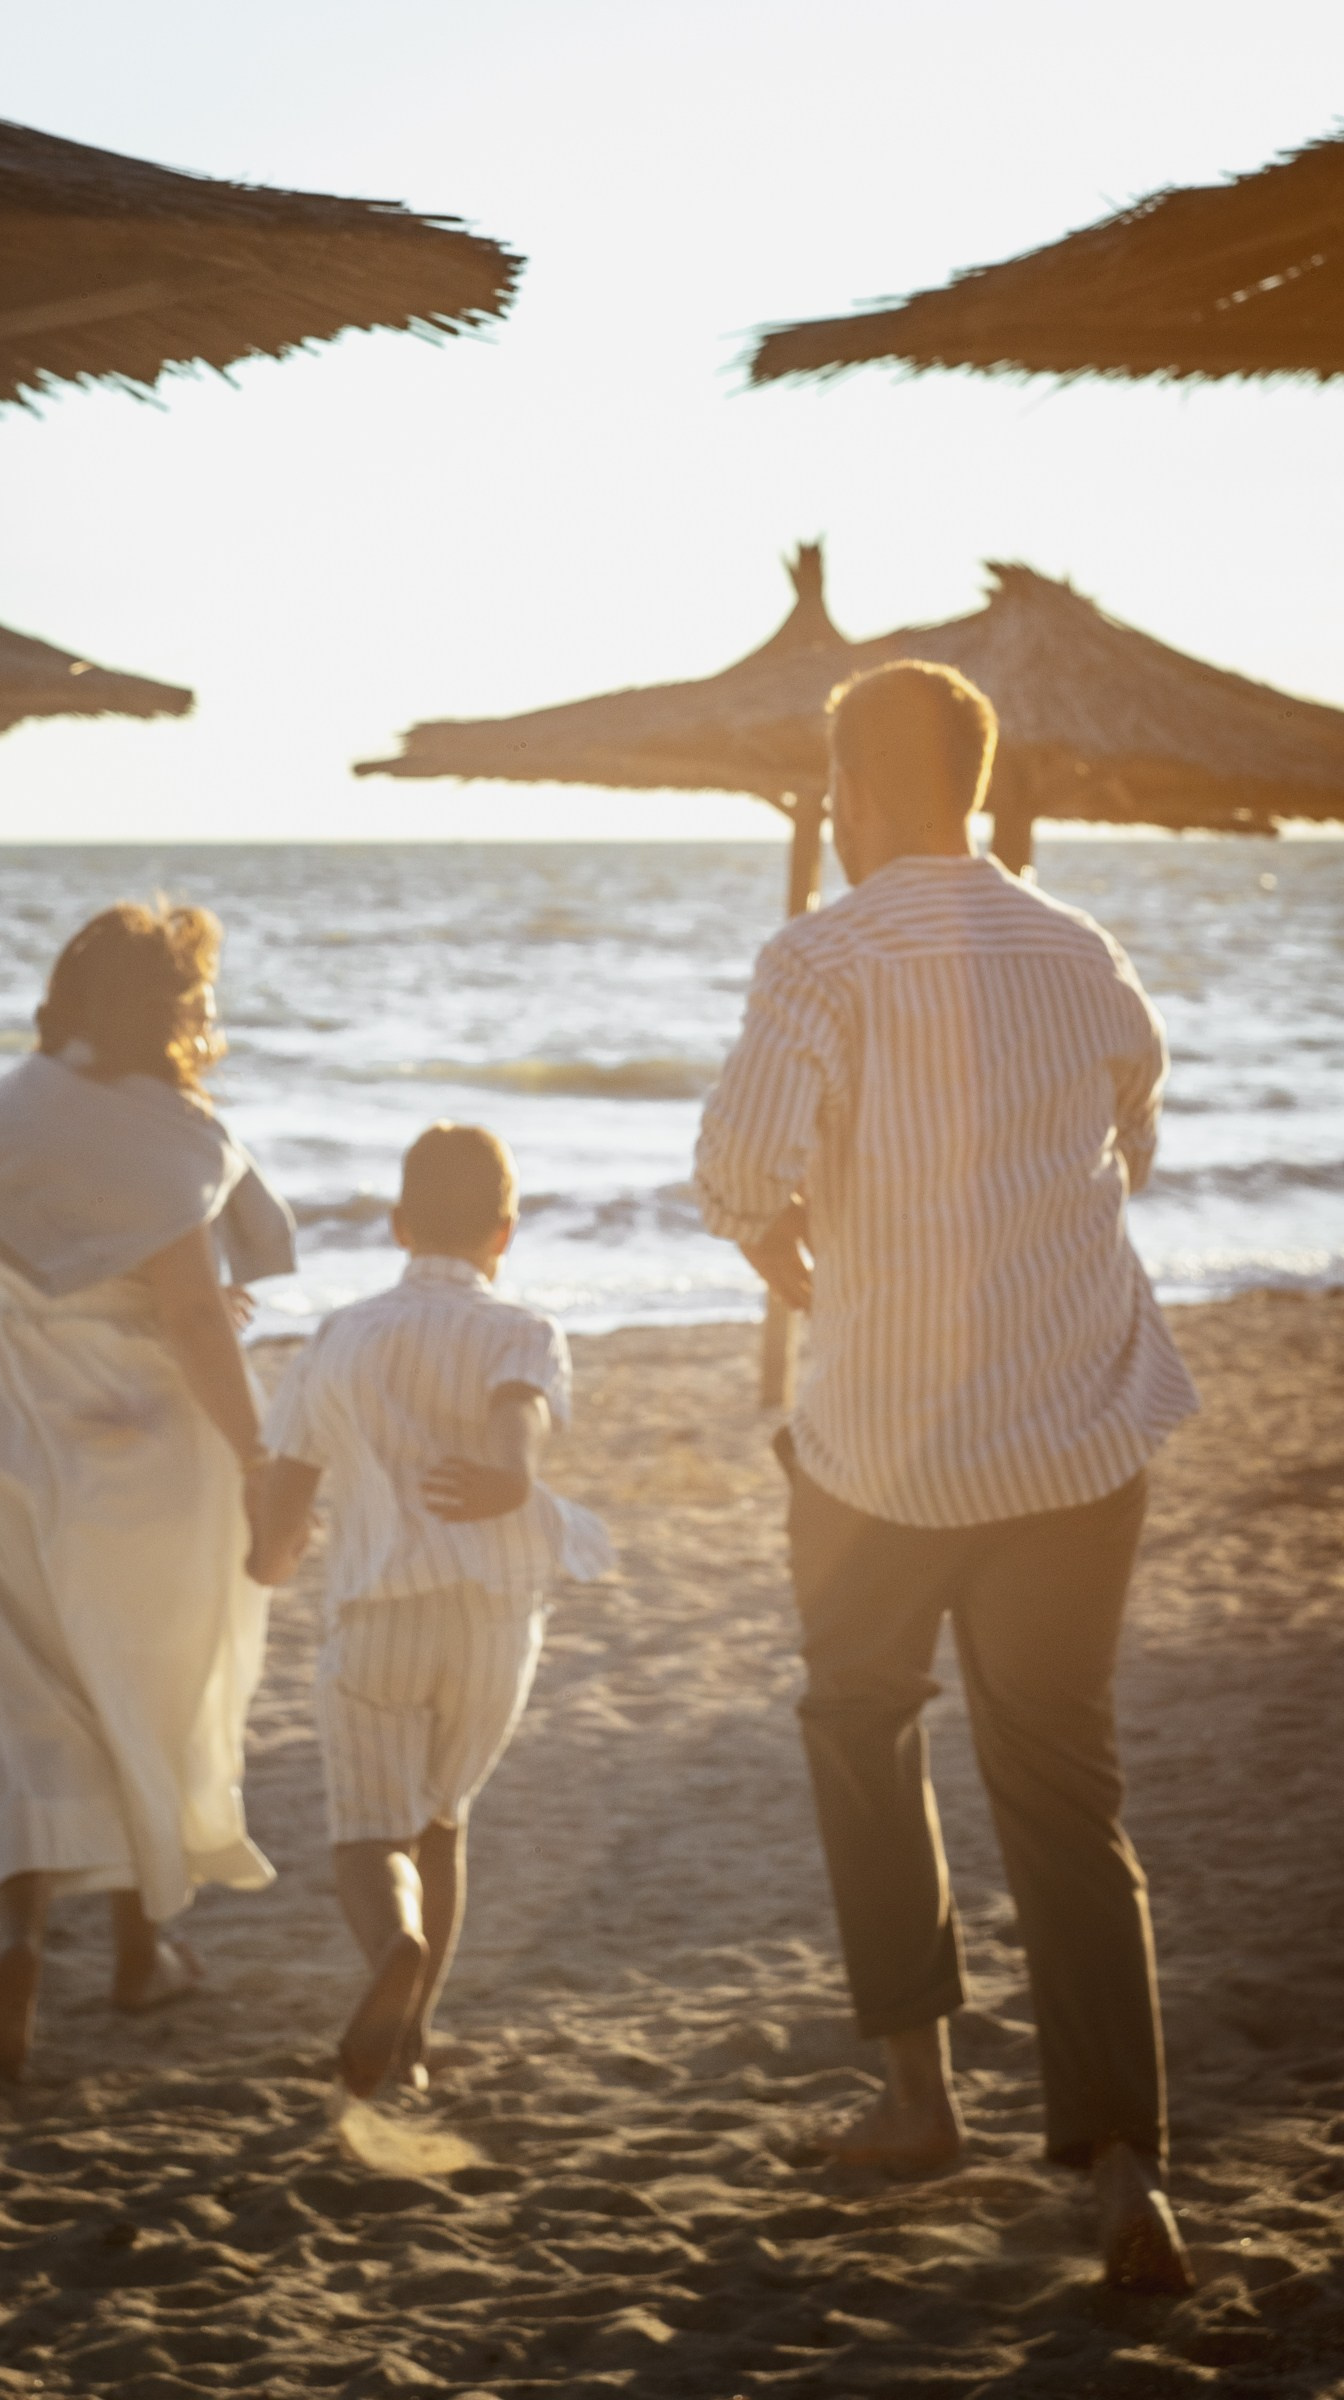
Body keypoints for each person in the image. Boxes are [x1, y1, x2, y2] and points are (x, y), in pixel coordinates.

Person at [693, 661, 1199, 2293]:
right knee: (1065, 1785)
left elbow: (733, 1169)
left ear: (851, 792)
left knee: (859, 1722)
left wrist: (792, 1257)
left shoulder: (824, 952)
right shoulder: (1079, 946)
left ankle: (919, 2096)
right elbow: (1135, 1136)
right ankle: (1126, 2170)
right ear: (974, 788)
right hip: (1077, 1423)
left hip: (884, 1446)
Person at [0, 901, 297, 2081]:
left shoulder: (6, 1110)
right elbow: (181, 1311)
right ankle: (139, 1952)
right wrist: (261, 1460)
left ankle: (21, 1943)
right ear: (168, 1012)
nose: (213, 1014)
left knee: (21, 1688)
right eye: (202, 994)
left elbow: (42, 1255)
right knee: (151, 1682)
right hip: (123, 1434)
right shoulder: (166, 1137)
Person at [246, 1122, 611, 2100]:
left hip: (379, 1610)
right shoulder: (522, 1328)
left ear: (399, 1225)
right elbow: (518, 1408)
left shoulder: (340, 1336)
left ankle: (392, 1953)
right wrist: (509, 1474)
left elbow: (289, 1475)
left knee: (372, 1834)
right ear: (506, 1231)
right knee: (443, 1823)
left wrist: (270, 1554)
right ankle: (410, 2042)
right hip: (494, 1615)